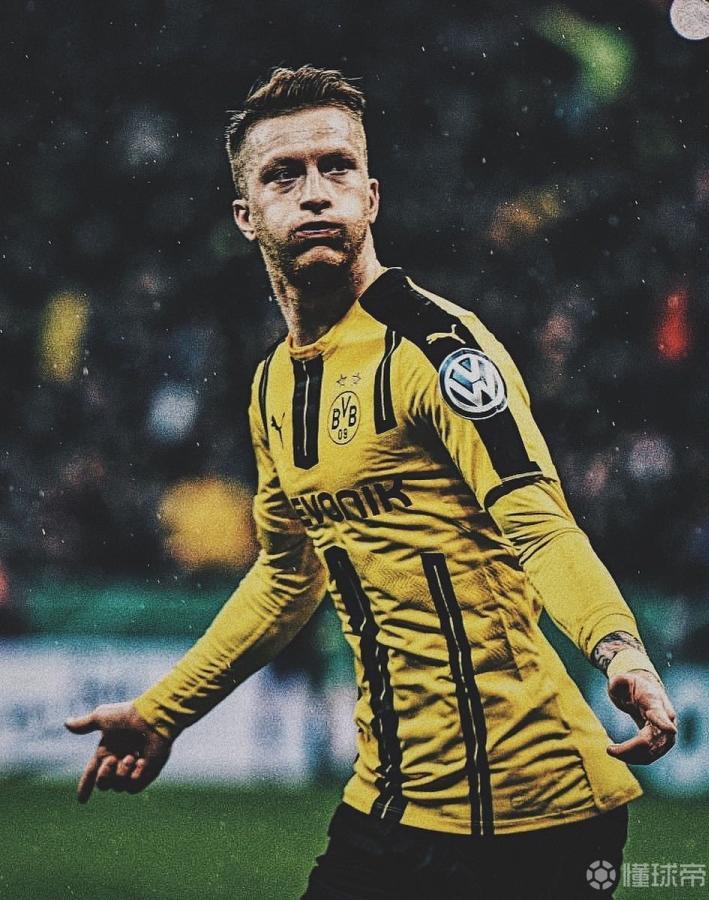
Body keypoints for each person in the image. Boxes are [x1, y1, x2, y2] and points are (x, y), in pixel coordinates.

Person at [65, 66, 677, 899]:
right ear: (246, 216)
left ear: (372, 196)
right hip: (387, 806)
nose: (316, 191)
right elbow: (288, 577)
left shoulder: (440, 350)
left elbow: (539, 523)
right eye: (284, 174)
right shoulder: (273, 386)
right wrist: (163, 710)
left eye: (337, 167)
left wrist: (618, 646)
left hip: (534, 817)